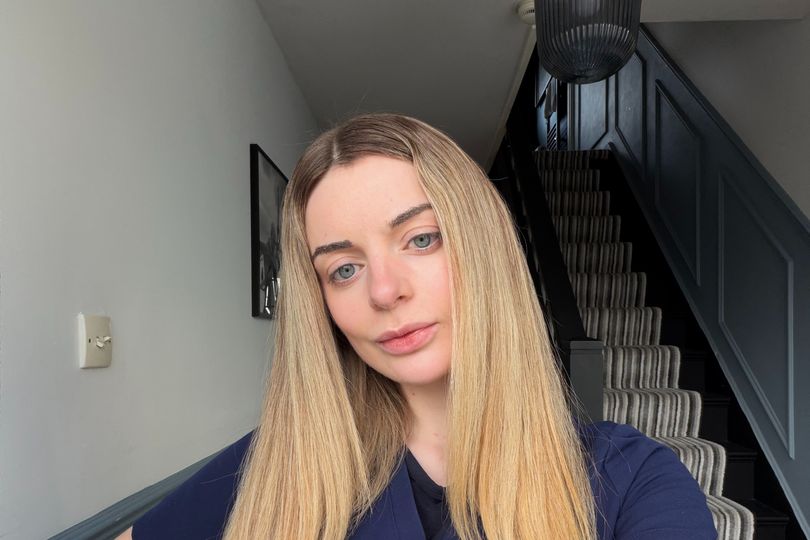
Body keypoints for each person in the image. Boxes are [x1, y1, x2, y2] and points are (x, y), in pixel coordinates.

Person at [118, 113, 716, 539]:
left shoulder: (633, 480)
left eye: (421, 239)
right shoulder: (284, 463)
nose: (384, 291)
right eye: (344, 269)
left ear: (483, 248)